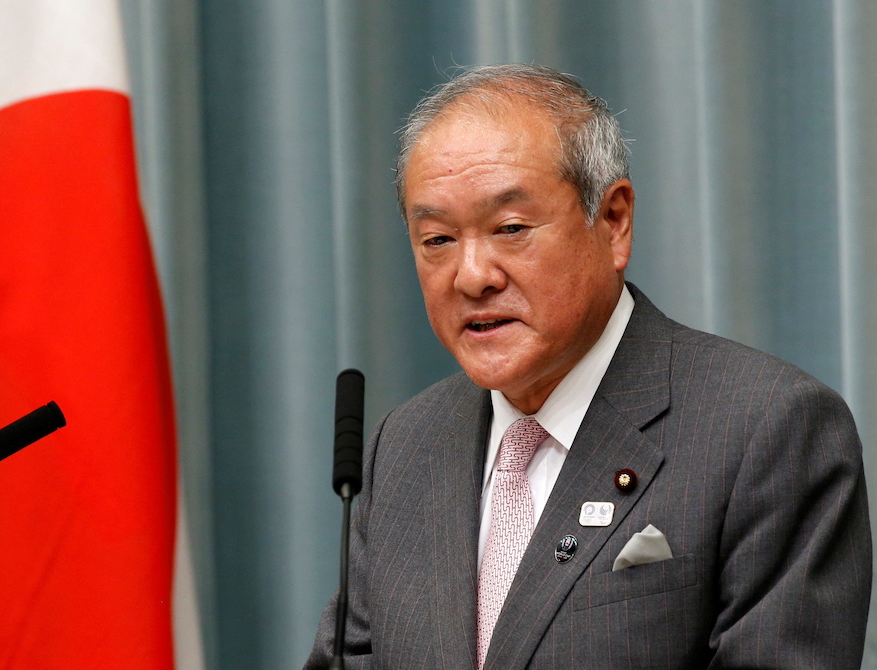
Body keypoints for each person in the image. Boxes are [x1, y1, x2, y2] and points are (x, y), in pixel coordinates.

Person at [305, 63, 871, 669]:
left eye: (511, 228)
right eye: (438, 240)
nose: (472, 276)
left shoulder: (766, 429)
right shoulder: (405, 449)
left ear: (614, 221)